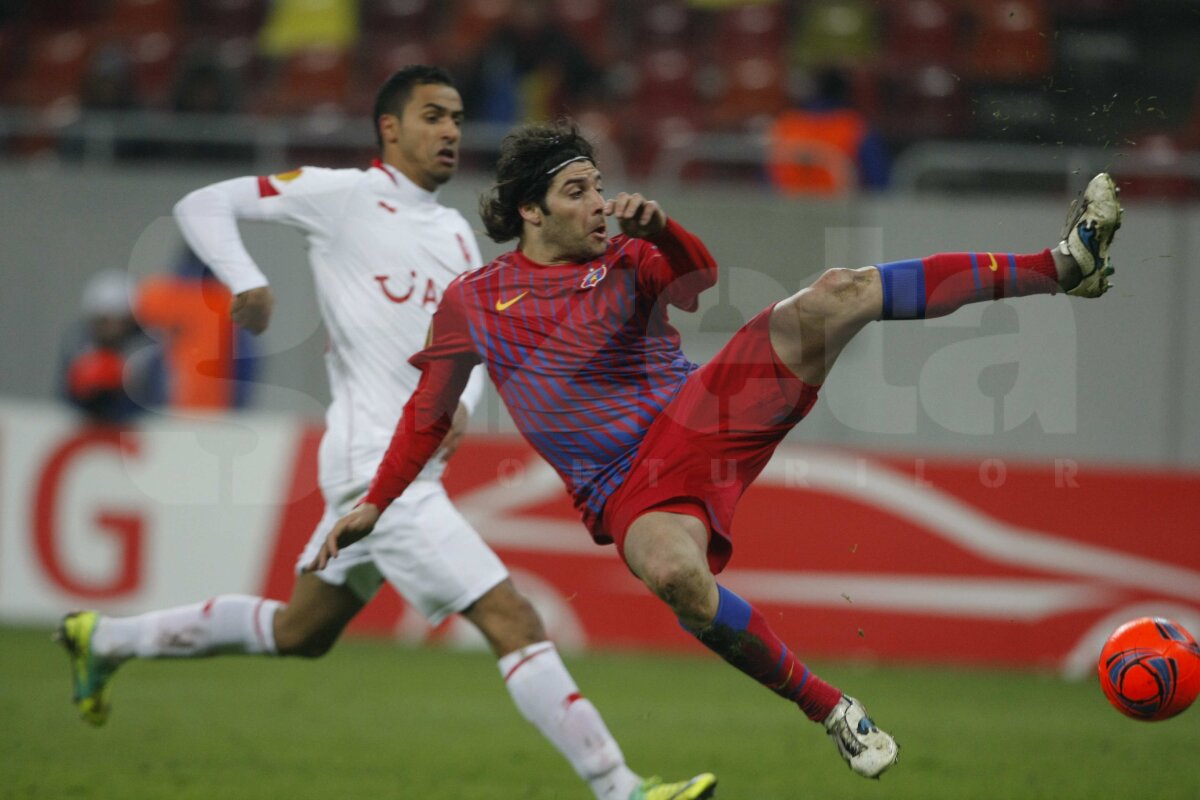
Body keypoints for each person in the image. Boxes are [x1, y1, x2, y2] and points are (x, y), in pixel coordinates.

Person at [311, 119, 1122, 780]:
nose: (597, 204)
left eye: (597, 185)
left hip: (704, 411)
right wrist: (375, 502)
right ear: (530, 210)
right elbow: (426, 414)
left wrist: (664, 230)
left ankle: (1062, 266)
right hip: (624, 485)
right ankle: (832, 709)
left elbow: (697, 282)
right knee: (675, 576)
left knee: (839, 292)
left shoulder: (626, 257)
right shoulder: (473, 301)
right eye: (576, 192)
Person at [55, 67, 715, 800]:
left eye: (457, 116)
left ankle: (106, 638)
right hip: (373, 461)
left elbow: (472, 342)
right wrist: (245, 280)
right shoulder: (340, 195)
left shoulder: (455, 232)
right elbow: (203, 203)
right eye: (432, 115)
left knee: (300, 631)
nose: (450, 130)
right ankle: (621, 788)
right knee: (512, 618)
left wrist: (462, 401)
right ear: (390, 128)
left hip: (409, 464)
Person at [59, 269, 161, 424]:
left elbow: (157, 401)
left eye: (115, 320)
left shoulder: (149, 352)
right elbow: (66, 399)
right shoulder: (77, 345)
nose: (108, 328)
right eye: (102, 321)